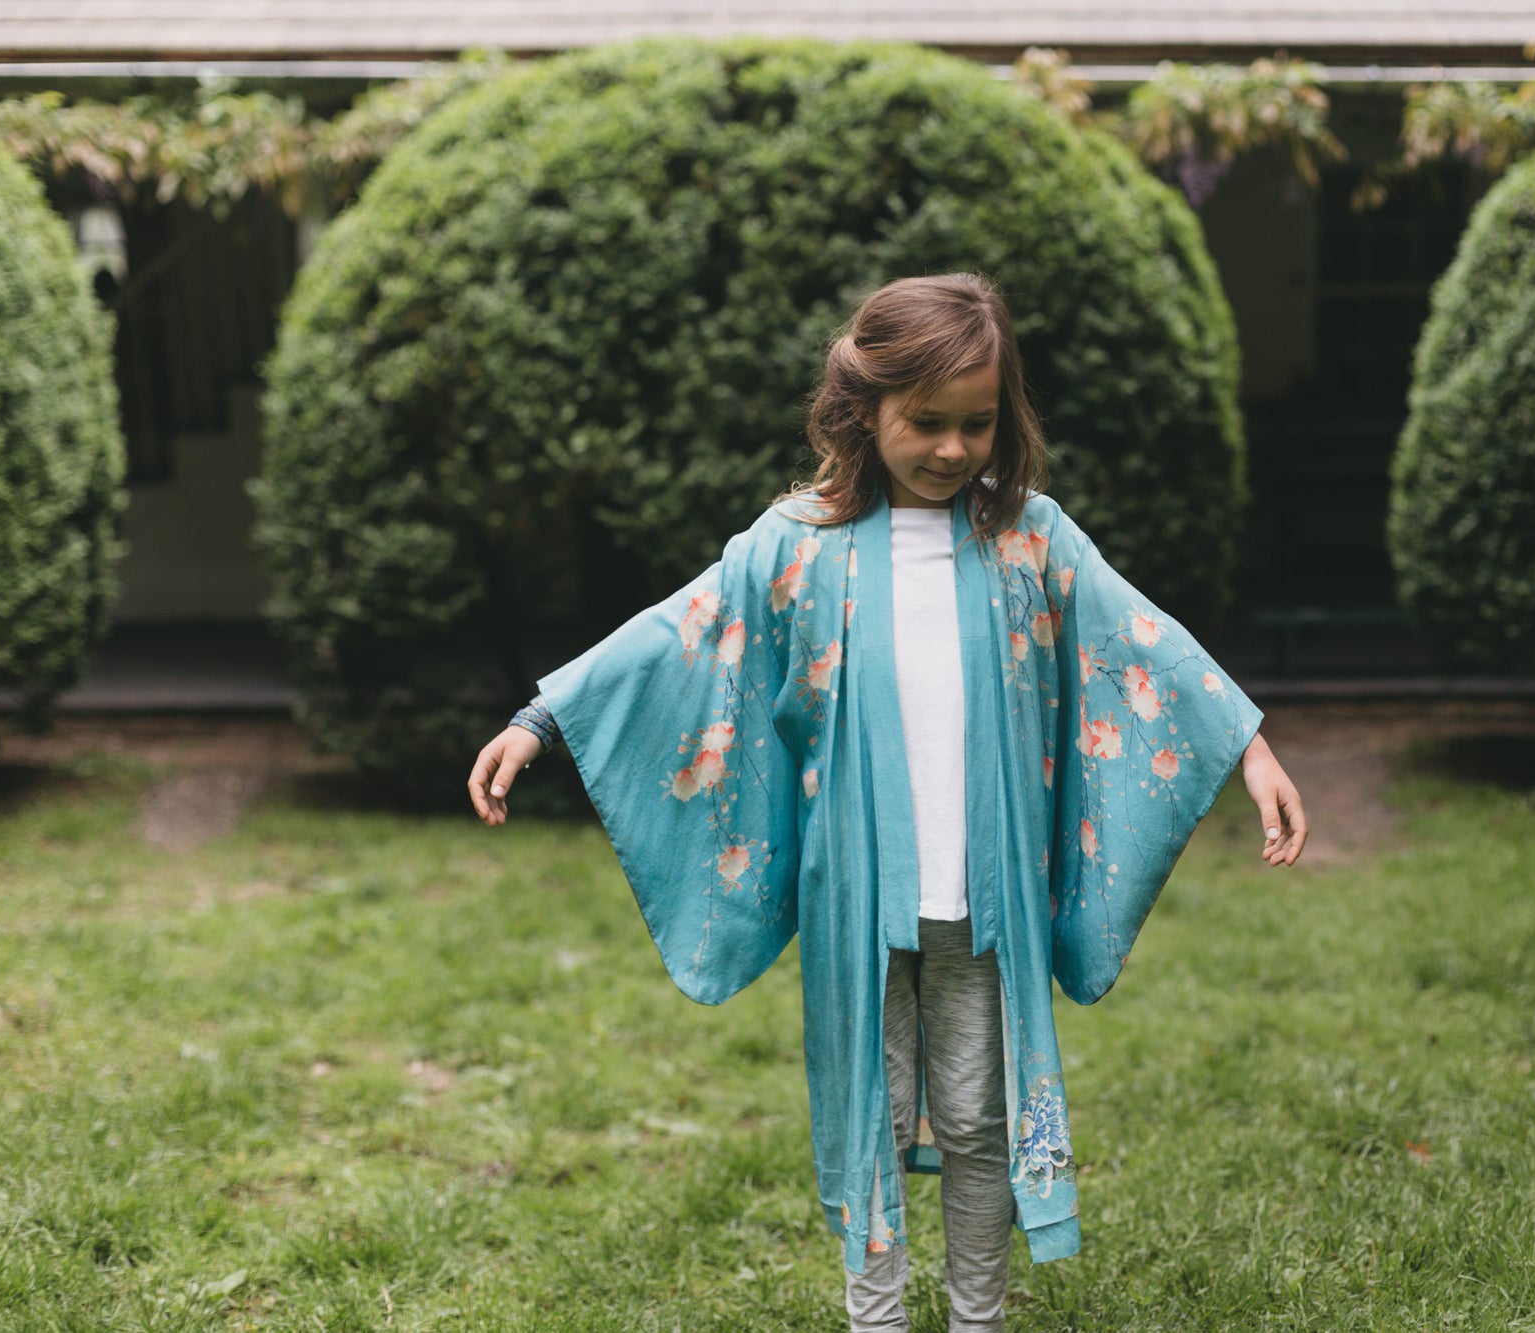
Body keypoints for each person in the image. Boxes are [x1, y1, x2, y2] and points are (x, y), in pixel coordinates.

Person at [467, 272, 1307, 1332]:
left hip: (981, 901)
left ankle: (975, 1317)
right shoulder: (795, 545)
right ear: (863, 407)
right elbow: (673, 631)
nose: (953, 449)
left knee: (970, 1116)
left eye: (977, 423)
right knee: (868, 1112)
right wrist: (538, 720)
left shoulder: (1029, 539)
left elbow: (1141, 641)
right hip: (856, 900)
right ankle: (875, 1317)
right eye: (926, 422)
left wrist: (1249, 746)